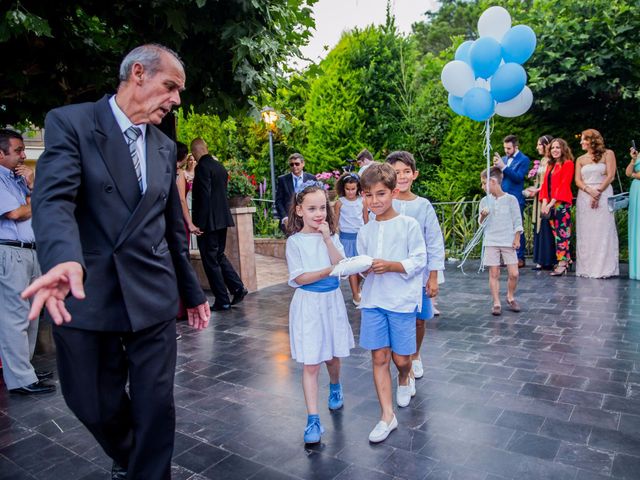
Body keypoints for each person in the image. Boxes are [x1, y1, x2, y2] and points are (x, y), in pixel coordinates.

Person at [22, 44, 211, 480]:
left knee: (155, 404)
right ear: (138, 73)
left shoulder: (165, 147)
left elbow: (170, 229)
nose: (176, 100)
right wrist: (63, 260)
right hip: (87, 290)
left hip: (153, 293)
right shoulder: (71, 122)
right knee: (90, 401)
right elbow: (53, 201)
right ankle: (130, 459)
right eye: (170, 87)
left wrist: (191, 292)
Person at [356, 163, 426, 443]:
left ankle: (405, 377)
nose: (375, 201)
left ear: (394, 192)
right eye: (369, 195)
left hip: (401, 302)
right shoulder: (365, 232)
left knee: (401, 359)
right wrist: (362, 268)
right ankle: (387, 416)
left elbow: (419, 260)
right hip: (373, 301)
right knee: (379, 357)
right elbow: (361, 266)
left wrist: (393, 265)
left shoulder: (408, 225)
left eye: (381, 194)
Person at [285, 182, 354, 444]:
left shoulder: (332, 237)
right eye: (312, 208)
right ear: (299, 210)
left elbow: (343, 266)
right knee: (311, 362)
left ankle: (335, 386)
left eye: (322, 207)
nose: (319, 213)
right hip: (308, 305)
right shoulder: (295, 242)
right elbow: (300, 277)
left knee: (333, 357)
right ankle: (312, 418)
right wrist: (327, 271)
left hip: (331, 302)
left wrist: (326, 238)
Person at [0, 129, 55, 395]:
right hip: (11, 252)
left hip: (31, 251)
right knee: (15, 317)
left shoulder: (18, 179)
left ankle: (26, 368)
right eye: (18, 150)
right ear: (1, 154)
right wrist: (37, 197)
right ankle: (20, 378)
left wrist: (33, 188)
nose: (23, 155)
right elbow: (17, 213)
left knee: (32, 316)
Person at [386, 151, 445, 380]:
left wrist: (433, 276)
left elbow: (434, 242)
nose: (401, 176)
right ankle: (402, 361)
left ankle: (416, 354)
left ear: (414, 174)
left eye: (406, 172)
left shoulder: (423, 206)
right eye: (396, 172)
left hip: (418, 275)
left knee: (419, 319)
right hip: (393, 275)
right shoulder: (385, 202)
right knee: (399, 319)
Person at [191, 138, 248, 311]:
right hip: (222, 219)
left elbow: (204, 197)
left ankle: (222, 299)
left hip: (209, 222)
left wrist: (198, 224)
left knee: (210, 261)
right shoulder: (219, 166)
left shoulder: (201, 167)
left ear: (194, 152)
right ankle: (237, 287)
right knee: (219, 256)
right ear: (206, 148)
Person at [575, 129, 619, 278]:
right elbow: (577, 181)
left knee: (603, 229)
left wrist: (598, 192)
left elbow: (611, 175)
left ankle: (605, 268)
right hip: (585, 196)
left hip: (604, 192)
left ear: (592, 140)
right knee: (586, 232)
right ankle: (587, 268)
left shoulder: (608, 154)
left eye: (583, 139)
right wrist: (590, 191)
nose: (581, 142)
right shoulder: (580, 159)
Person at [479, 167, 524, 316]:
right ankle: (496, 302)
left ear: (492, 181)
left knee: (514, 273)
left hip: (507, 240)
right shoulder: (485, 201)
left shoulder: (511, 199)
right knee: (494, 272)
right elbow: (481, 223)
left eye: (484, 183)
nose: (482, 186)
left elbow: (517, 220)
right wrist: (483, 216)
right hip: (491, 240)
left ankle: (510, 296)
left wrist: (517, 237)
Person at [539, 138, 575, 276]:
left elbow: (563, 185)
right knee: (556, 234)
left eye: (558, 147)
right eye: (553, 147)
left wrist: (550, 203)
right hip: (550, 205)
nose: (555, 150)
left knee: (562, 234)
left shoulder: (568, 164)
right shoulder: (550, 165)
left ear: (563, 149)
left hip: (561, 204)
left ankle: (562, 263)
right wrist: (544, 202)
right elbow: (544, 185)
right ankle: (567, 259)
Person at [493, 135, 530, 267]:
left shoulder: (524, 159)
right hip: (503, 197)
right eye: (505, 148)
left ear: (516, 147)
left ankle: (520, 257)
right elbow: (501, 177)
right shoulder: (503, 159)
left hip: (515, 197)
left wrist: (503, 167)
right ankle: (506, 256)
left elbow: (518, 178)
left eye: (508, 148)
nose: (506, 151)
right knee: (504, 227)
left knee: (517, 227)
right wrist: (497, 167)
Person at [334, 172, 368, 305]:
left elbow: (365, 219)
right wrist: (334, 234)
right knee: (352, 268)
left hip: (360, 238)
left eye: (353, 189)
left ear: (358, 188)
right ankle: (355, 295)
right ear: (344, 189)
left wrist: (368, 234)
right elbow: (336, 220)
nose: (350, 192)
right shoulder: (340, 203)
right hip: (346, 239)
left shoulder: (362, 201)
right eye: (347, 189)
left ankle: (357, 289)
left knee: (362, 267)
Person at [523, 135, 556, 270]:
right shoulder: (542, 160)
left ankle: (548, 259)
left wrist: (538, 190)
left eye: (539, 144)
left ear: (546, 145)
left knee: (546, 227)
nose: (537, 147)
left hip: (547, 198)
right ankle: (540, 259)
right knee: (539, 227)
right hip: (539, 198)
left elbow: (550, 182)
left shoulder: (551, 162)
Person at [275, 153, 316, 233]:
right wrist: (285, 218)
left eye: (297, 164)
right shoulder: (282, 180)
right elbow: (278, 201)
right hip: (289, 221)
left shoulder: (311, 178)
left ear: (303, 164)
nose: (294, 166)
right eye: (291, 164)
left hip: (307, 219)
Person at [176, 141, 201, 243]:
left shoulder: (164, 170)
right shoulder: (179, 172)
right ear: (184, 156)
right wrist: (190, 224)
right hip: (179, 215)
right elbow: (181, 199)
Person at [627, 144, 640, 280]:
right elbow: (628, 173)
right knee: (636, 226)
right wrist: (633, 160)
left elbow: (633, 174)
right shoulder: (638, 155)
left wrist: (634, 175)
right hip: (636, 191)